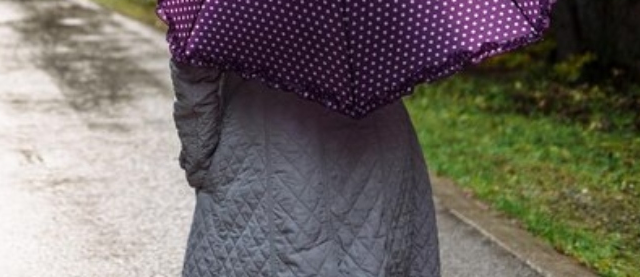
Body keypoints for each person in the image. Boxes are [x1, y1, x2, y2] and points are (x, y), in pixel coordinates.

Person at [170, 60, 440, 277]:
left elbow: (194, 75)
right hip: (378, 138)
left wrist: (201, 161)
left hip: (265, 141)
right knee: (372, 252)